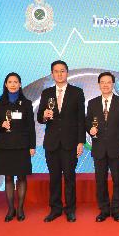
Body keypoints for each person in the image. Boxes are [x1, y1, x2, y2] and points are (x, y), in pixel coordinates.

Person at [36, 60, 86, 223]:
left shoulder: (77, 92)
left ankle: (70, 209)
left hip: (70, 142)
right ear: (52, 74)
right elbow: (39, 118)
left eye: (62, 71)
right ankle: (55, 209)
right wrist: (44, 115)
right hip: (51, 142)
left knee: (70, 177)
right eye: (56, 71)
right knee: (54, 177)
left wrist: (81, 142)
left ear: (67, 73)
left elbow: (81, 119)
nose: (59, 74)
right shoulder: (46, 93)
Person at [86, 72, 119, 222]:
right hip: (99, 148)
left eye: (108, 82)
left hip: (117, 148)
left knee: (118, 180)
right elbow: (88, 123)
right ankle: (104, 210)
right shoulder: (92, 103)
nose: (105, 85)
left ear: (113, 84)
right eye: (102, 82)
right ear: (99, 85)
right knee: (100, 181)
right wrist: (90, 130)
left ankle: (116, 210)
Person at [0, 72, 36, 222]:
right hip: (5, 144)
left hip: (22, 145)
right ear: (5, 84)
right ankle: (11, 209)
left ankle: (21, 208)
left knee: (22, 177)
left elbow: (31, 126)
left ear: (20, 84)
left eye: (15, 82)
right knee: (8, 177)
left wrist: (32, 145)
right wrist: (1, 125)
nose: (12, 84)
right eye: (10, 82)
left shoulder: (26, 103)